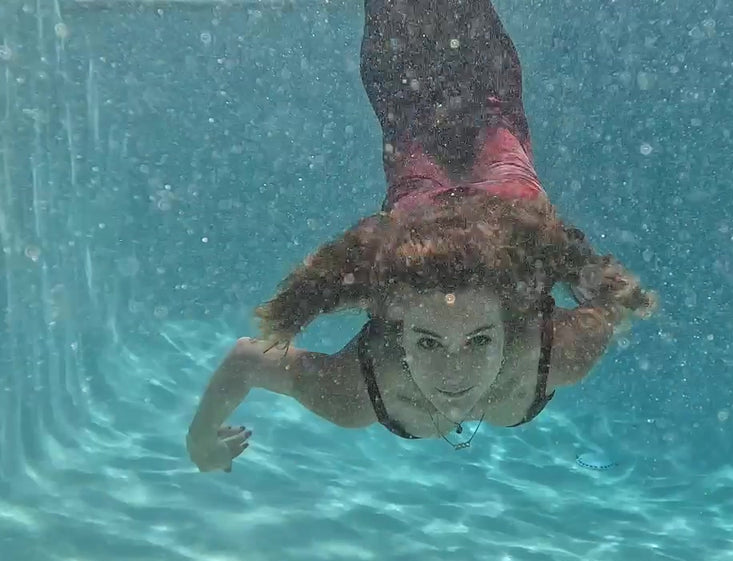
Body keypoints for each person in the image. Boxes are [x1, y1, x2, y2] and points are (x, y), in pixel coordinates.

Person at [186, 0, 656, 472]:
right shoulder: (560, 357)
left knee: (408, 103)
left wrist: (200, 439)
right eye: (429, 342)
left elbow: (247, 360)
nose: (455, 375)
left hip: (419, 211)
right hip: (510, 205)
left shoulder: (357, 395)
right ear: (398, 329)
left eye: (477, 341)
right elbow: (608, 304)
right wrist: (572, 261)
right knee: (491, 103)